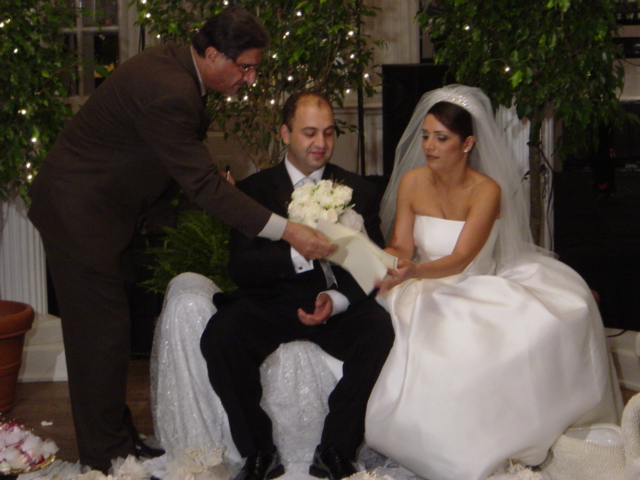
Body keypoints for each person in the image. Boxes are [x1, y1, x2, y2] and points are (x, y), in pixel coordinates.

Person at [26, 8, 334, 473]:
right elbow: (201, 185)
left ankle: (118, 441)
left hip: (102, 212)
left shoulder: (178, 70)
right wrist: (288, 230)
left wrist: (212, 185)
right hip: (81, 215)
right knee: (99, 338)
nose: (250, 78)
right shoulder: (171, 90)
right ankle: (106, 457)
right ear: (212, 54)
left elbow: (177, 166)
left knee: (109, 332)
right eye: (244, 67)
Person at [364, 85, 623, 480]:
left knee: (530, 323)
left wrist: (414, 270)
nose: (429, 146)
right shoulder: (412, 181)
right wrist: (382, 261)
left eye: (441, 138)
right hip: (421, 282)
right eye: (426, 136)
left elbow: (461, 258)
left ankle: (486, 442)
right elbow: (401, 244)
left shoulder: (487, 190)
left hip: (470, 282)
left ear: (467, 144)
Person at [199, 91, 394, 480]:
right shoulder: (253, 192)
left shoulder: (359, 190)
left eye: (328, 133)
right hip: (271, 302)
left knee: (379, 330)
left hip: (334, 308)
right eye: (309, 133)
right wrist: (297, 254)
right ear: (285, 133)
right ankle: (258, 453)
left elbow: (373, 266)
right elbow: (241, 267)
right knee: (221, 335)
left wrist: (336, 300)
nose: (321, 143)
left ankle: (336, 451)